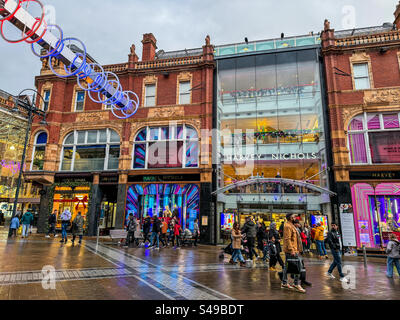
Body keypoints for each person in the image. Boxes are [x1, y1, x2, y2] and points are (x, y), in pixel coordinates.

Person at [281, 213, 306, 293]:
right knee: (299, 266)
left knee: (286, 266)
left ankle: (285, 282)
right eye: (293, 216)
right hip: (291, 250)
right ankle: (296, 283)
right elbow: (287, 239)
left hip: (294, 249)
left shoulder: (291, 225)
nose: (295, 217)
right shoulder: (288, 226)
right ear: (290, 218)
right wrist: (291, 250)